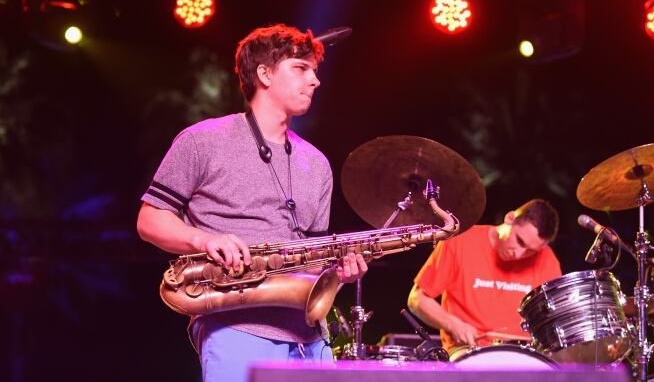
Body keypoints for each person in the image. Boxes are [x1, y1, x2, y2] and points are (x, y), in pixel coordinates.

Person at [137, 24, 367, 381]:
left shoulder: (317, 163)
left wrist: (338, 274)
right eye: (300, 69)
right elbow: (149, 220)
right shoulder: (203, 141)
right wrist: (205, 239)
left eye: (315, 72)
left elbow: (313, 258)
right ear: (264, 74)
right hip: (236, 327)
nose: (315, 81)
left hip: (310, 336)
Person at [407, 199, 562, 352]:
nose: (519, 254)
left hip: (523, 354)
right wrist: (453, 324)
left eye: (531, 251)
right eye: (519, 241)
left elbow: (556, 318)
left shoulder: (546, 258)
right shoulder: (460, 240)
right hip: (468, 350)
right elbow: (417, 298)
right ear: (510, 219)